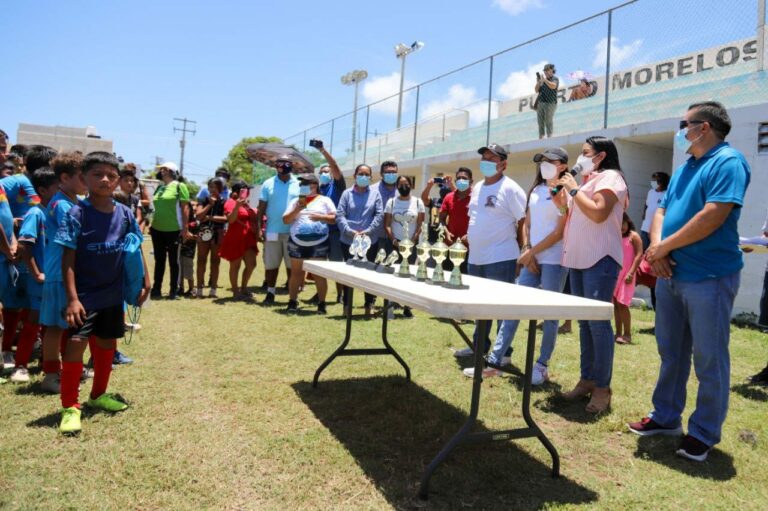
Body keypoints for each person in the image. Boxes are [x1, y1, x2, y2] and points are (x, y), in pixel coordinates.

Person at [629, 102, 751, 462]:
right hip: (670, 274)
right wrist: (657, 248)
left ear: (705, 127)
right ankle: (666, 417)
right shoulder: (685, 168)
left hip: (709, 277)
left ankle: (703, 433)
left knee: (709, 358)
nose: (680, 129)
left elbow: (713, 214)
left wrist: (665, 246)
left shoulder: (728, 162)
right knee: (671, 352)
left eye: (684, 123)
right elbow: (662, 211)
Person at [55, 151, 151, 435]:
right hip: (84, 296)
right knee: (75, 345)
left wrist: (145, 280)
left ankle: (97, 395)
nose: (105, 179)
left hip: (113, 294)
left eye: (111, 174)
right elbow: (67, 260)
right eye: (97, 174)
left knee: (107, 344)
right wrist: (72, 298)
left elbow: (135, 245)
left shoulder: (124, 213)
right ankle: (70, 407)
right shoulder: (77, 214)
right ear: (83, 178)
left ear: (119, 180)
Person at [463, 148, 568, 383]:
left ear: (562, 165)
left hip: (553, 259)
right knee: (513, 309)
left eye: (550, 162)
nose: (545, 165)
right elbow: (527, 223)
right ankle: (495, 360)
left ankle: (541, 365)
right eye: (542, 161)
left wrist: (531, 252)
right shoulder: (536, 191)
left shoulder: (566, 193)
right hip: (532, 257)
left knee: (550, 315)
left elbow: (560, 231)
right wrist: (528, 250)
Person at [555, 136, 628, 414]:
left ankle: (602, 388)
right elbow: (568, 213)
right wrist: (563, 194)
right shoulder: (586, 181)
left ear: (600, 156)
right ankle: (587, 379)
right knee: (585, 324)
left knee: (598, 325)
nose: (580, 158)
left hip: (600, 260)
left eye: (585, 153)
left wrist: (574, 192)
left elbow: (598, 214)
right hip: (578, 259)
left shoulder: (611, 177)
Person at [454, 144, 526, 362]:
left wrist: (523, 252)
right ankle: (479, 346)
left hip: (501, 257)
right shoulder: (477, 188)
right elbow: (476, 217)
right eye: (483, 158)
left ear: (503, 164)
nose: (485, 162)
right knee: (480, 305)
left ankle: (503, 353)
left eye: (491, 158)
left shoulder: (510, 188)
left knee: (502, 307)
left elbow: (523, 220)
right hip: (476, 257)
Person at [8, 167, 58, 382]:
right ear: (43, 190)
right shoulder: (36, 213)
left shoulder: (57, 213)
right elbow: (25, 247)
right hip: (40, 280)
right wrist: (36, 274)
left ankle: (48, 364)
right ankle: (20, 366)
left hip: (55, 279)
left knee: (52, 324)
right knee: (33, 321)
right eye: (58, 187)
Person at [282, 174, 337, 313]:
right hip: (297, 242)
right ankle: (292, 301)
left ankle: (321, 303)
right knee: (296, 273)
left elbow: (335, 218)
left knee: (319, 274)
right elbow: (286, 220)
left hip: (319, 243)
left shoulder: (325, 200)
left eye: (307, 183)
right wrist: (297, 209)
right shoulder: (296, 201)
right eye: (302, 184)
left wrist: (321, 217)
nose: (304, 186)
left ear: (315, 184)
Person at [336, 164, 384, 317]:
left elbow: (379, 215)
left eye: (366, 174)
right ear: (355, 175)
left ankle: (369, 305)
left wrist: (368, 231)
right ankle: (347, 307)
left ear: (370, 177)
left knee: (368, 275)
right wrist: (349, 231)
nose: (363, 177)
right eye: (360, 173)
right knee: (349, 275)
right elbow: (340, 215)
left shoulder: (375, 194)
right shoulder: (346, 194)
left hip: (369, 240)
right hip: (348, 240)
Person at [255, 156, 299, 304]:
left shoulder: (299, 183)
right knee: (271, 265)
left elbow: (305, 205)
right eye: (280, 163)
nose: (283, 165)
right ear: (276, 166)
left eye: (286, 163)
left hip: (293, 232)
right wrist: (259, 229)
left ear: (292, 165)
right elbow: (260, 209)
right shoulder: (268, 184)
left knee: (291, 266)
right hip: (272, 230)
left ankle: (292, 296)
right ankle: (270, 293)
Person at [384, 175, 425, 318]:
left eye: (406, 184)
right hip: (395, 244)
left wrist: (412, 240)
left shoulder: (418, 202)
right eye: (400, 184)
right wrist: (394, 240)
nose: (403, 186)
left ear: (411, 185)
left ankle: (407, 306)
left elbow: (420, 224)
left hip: (410, 245)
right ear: (396, 186)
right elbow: (387, 224)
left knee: (408, 274)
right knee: (393, 274)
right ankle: (392, 304)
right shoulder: (391, 202)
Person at [149, 162, 190, 299]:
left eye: (163, 169)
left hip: (173, 230)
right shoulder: (159, 187)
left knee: (174, 261)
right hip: (157, 229)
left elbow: (185, 208)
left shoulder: (180, 186)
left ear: (170, 171)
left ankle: (173, 290)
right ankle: (156, 289)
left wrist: (185, 228)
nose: (160, 171)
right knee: (159, 260)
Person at [315, 141, 346, 304]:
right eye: (322, 172)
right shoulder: (318, 189)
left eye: (327, 171)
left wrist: (322, 150)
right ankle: (319, 293)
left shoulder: (338, 186)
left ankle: (340, 294)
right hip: (319, 232)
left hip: (335, 232)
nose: (325, 173)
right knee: (318, 264)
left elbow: (334, 165)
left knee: (336, 264)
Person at [219, 181, 259, 300]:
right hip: (235, 238)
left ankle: (244, 288)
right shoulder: (230, 202)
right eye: (246, 190)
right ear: (238, 191)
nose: (248, 193)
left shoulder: (247, 204)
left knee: (252, 264)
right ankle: (236, 292)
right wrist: (237, 206)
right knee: (235, 266)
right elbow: (230, 220)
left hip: (248, 238)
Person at [613, 213, 643, 345]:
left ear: (628, 221)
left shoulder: (634, 236)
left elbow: (639, 255)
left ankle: (627, 334)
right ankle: (618, 333)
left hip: (628, 274)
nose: (622, 227)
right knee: (615, 304)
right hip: (616, 274)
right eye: (618, 225)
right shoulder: (615, 236)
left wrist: (631, 273)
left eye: (623, 223)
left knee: (623, 304)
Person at [195, 177, 227, 298]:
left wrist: (209, 218)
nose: (211, 190)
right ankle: (199, 289)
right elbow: (198, 216)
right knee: (201, 260)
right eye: (210, 187)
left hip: (217, 234)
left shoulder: (224, 202)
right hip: (204, 233)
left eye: (214, 187)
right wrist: (209, 205)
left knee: (215, 262)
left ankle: (213, 290)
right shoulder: (203, 201)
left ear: (220, 188)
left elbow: (225, 218)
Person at [435, 168, 471, 272]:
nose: (461, 180)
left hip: (470, 249)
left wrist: (471, 235)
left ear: (471, 181)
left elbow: (482, 221)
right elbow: (441, 219)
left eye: (464, 178)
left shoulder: (476, 197)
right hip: (450, 247)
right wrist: (446, 232)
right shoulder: (448, 197)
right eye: (458, 178)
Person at [535, 63, 559, 139]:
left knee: (548, 119)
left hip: (551, 102)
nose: (546, 72)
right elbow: (536, 90)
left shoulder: (555, 79)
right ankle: (541, 136)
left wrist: (545, 80)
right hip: (541, 102)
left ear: (552, 70)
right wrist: (539, 82)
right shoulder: (542, 80)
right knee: (540, 121)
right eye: (545, 70)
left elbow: (553, 86)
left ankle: (550, 136)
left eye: (547, 70)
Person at [179, 201, 198, 296]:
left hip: (189, 250)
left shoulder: (194, 223)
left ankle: (191, 288)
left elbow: (198, 236)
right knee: (179, 269)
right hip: (179, 248)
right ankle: (180, 288)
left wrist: (190, 236)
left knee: (188, 269)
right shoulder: (179, 221)